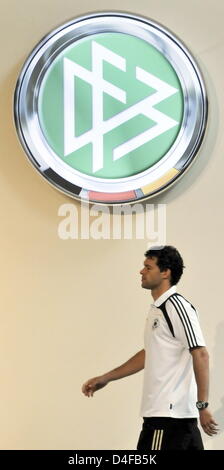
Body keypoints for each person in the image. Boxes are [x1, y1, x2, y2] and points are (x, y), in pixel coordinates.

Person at [82, 246, 218, 450]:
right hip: (169, 420)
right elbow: (149, 354)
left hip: (167, 420)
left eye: (148, 267)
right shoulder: (157, 309)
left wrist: (203, 405)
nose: (141, 271)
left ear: (165, 272)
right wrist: (106, 378)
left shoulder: (176, 307)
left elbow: (200, 353)